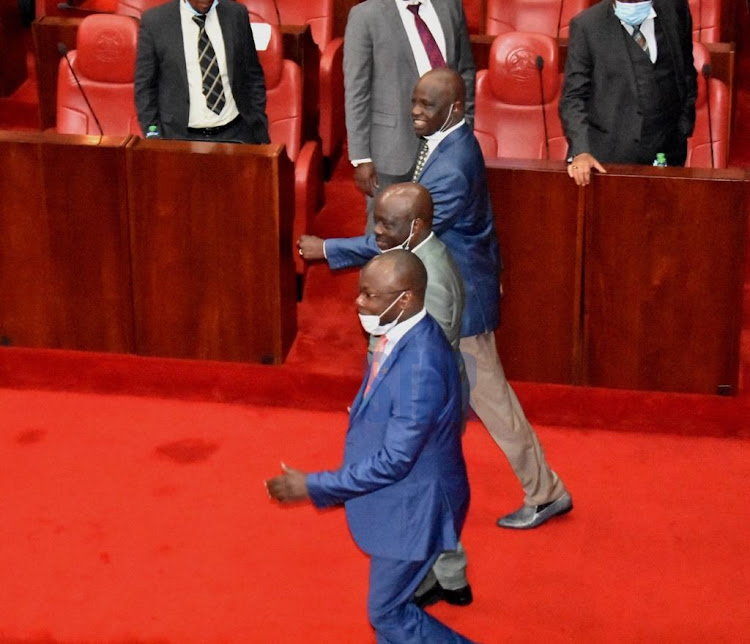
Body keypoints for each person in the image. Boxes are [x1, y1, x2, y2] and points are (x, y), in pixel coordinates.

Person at [304, 69, 572, 544]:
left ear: (455, 110)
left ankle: (545, 492)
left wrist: (328, 250)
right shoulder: (448, 142)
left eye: (425, 106)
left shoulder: (452, 165)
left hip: (458, 304)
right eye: (414, 101)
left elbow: (402, 237)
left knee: (493, 405)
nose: (414, 112)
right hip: (448, 294)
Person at [266, 250, 476, 644]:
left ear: (406, 298)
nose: (359, 302)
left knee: (388, 613)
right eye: (360, 292)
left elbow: (396, 460)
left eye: (369, 295)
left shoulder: (420, 366)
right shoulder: (401, 332)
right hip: (401, 500)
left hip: (416, 509)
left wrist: (313, 485)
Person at [300, 182, 473, 608]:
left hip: (425, 402)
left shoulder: (430, 289)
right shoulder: (405, 257)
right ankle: (447, 577)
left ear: (413, 227)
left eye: (385, 223)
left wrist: (321, 485)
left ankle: (443, 576)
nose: (376, 230)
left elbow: (422, 362)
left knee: (424, 488)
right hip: (413, 399)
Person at [343, 0, 475, 231]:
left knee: (443, 232)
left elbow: (465, 71)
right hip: (392, 149)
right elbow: (357, 89)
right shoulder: (365, 15)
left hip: (447, 145)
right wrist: (361, 156)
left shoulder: (450, 6)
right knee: (386, 238)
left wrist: (466, 123)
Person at [560, 0, 697, 186]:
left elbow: (686, 71)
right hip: (611, 156)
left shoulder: (675, 9)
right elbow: (573, 96)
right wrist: (581, 150)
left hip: (668, 151)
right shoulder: (587, 25)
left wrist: (683, 126)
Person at [134, 0, 270, 143]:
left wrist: (258, 120)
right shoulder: (155, 22)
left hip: (236, 135)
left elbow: (252, 74)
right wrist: (153, 134)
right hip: (179, 138)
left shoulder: (236, 14)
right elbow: (145, 87)